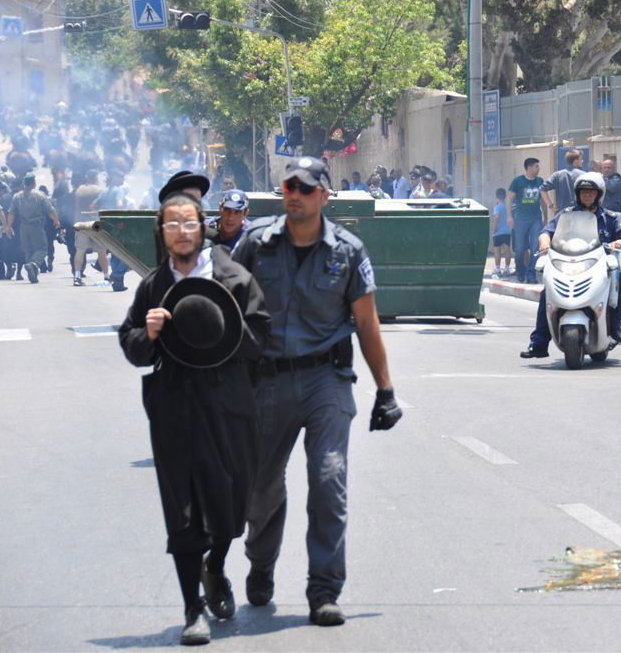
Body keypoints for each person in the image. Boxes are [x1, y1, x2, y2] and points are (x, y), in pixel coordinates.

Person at [233, 157, 403, 627]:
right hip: (266, 381)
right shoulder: (255, 244)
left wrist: (385, 390)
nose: (295, 194)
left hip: (326, 381)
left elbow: (366, 323)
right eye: (289, 186)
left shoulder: (348, 251)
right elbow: (225, 307)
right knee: (261, 487)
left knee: (329, 481)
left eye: (306, 188)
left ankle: (323, 589)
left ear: (325, 196)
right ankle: (261, 565)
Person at [118, 193, 271, 646]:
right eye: (171, 225)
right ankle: (192, 609)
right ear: (162, 233)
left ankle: (216, 567)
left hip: (228, 402)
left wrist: (217, 323)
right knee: (183, 511)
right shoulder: (153, 285)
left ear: (202, 226)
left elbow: (261, 335)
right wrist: (146, 335)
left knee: (229, 505)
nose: (181, 232)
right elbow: (130, 342)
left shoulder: (234, 277)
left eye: (188, 223)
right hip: (174, 404)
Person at [520, 172, 621, 358]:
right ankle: (539, 343)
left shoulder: (612, 217)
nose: (587, 195)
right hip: (569, 264)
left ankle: (614, 327)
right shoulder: (566, 215)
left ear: (599, 194)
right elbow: (546, 231)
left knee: (617, 280)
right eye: (583, 192)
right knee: (547, 293)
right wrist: (544, 242)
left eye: (591, 192)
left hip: (600, 267)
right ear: (577, 194)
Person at [9, 173, 60, 284]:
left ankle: (33, 275)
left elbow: (11, 213)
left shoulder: (17, 196)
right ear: (33, 183)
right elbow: (50, 210)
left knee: (28, 250)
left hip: (23, 227)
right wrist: (56, 220)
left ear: (24, 183)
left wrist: (8, 226)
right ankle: (34, 264)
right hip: (36, 226)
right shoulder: (40, 195)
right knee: (42, 249)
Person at [505, 158, 544, 284]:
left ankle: (531, 274)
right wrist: (509, 216)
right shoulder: (518, 181)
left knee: (535, 247)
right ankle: (520, 272)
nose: (538, 169)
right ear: (529, 168)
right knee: (520, 248)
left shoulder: (540, 181)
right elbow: (509, 199)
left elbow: (543, 199)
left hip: (536, 219)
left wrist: (545, 217)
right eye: (536, 166)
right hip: (520, 219)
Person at [72, 170, 108, 286]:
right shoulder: (99, 190)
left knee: (80, 250)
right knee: (101, 251)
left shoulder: (79, 190)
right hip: (96, 223)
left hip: (81, 222)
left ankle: (77, 276)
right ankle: (107, 277)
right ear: (96, 178)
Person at [540, 149, 584, 215]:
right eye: (581, 159)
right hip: (579, 214)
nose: (582, 161)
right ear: (575, 161)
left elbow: (542, 189)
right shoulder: (583, 175)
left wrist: (551, 206)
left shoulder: (557, 175)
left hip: (562, 214)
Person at [490, 188, 512, 279]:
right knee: (507, 250)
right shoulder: (507, 207)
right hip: (507, 231)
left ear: (496, 197)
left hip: (498, 232)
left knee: (497, 251)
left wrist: (494, 229)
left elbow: (496, 217)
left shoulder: (497, 207)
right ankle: (507, 268)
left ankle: (498, 269)